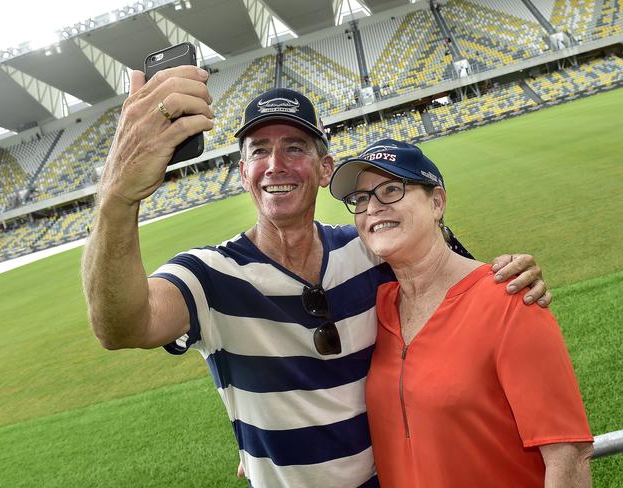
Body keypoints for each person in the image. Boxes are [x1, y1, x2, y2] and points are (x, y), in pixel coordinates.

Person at [82, 67, 550, 487]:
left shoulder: (370, 247)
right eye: (259, 150)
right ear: (243, 172)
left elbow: (460, 285)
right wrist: (117, 197)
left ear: (325, 169)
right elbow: (121, 326)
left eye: (295, 148)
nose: (275, 165)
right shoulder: (209, 276)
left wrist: (508, 273)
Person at [329, 139, 593, 487]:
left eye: (391, 189)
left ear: (436, 202)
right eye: (361, 199)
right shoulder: (375, 308)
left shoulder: (509, 299)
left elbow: (568, 458)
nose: (373, 208)